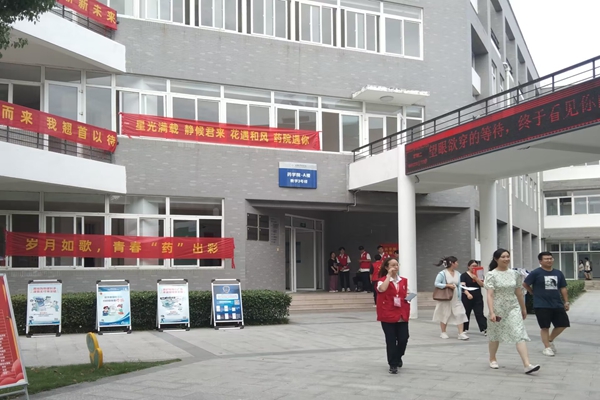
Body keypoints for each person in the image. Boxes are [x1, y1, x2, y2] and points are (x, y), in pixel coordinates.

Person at [485, 249, 540, 374]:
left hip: (513, 308)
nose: (506, 259)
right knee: (495, 335)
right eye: (503, 257)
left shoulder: (515, 274)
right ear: (496, 259)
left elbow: (518, 292)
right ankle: (492, 358)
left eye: (507, 256)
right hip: (498, 308)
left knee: (519, 333)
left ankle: (527, 365)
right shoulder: (491, 275)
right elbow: (490, 295)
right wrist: (492, 312)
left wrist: (523, 308)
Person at [523, 251, 570, 357]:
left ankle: (549, 339)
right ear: (540, 261)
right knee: (545, 327)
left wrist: (566, 301)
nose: (549, 260)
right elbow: (525, 284)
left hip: (557, 303)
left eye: (550, 258)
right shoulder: (536, 273)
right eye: (546, 259)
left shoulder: (558, 273)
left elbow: (563, 287)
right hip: (541, 304)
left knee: (563, 324)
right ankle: (547, 348)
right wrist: (532, 292)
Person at [376, 257, 410, 374]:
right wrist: (389, 276)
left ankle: (398, 356)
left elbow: (406, 293)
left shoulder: (403, 280)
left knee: (403, 339)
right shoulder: (382, 280)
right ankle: (393, 364)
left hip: (401, 314)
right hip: (387, 314)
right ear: (387, 267)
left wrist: (408, 297)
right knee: (391, 340)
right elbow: (382, 289)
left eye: (397, 265)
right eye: (392, 265)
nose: (395, 267)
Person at [432, 256, 469, 340]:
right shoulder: (442, 273)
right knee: (444, 314)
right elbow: (436, 283)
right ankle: (443, 332)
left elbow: (460, 285)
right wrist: (447, 285)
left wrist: (466, 292)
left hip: (456, 297)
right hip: (446, 297)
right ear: (452, 263)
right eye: (456, 262)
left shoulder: (458, 274)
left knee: (460, 313)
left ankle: (461, 333)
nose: (457, 264)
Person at [460, 260, 487, 335]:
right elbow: (462, 286)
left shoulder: (479, 274)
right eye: (473, 266)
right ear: (469, 266)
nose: (474, 267)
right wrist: (468, 294)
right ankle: (464, 328)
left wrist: (476, 279)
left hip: (477, 296)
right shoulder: (464, 275)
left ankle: (484, 328)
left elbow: (483, 285)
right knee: (466, 312)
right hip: (467, 296)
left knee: (479, 313)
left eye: (476, 266)